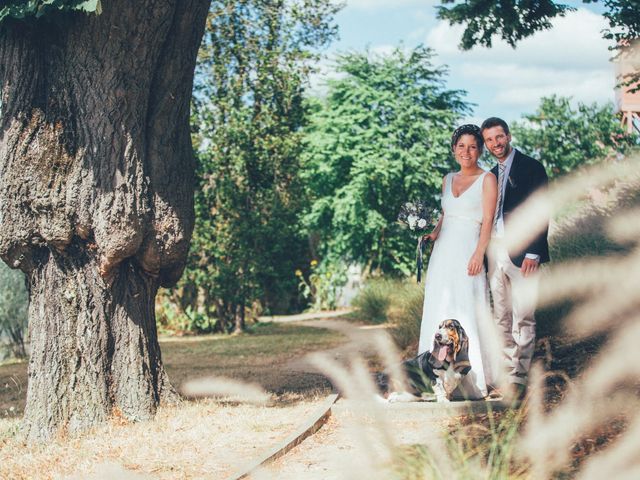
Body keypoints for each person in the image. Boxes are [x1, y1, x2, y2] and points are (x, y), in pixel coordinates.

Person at [418, 124, 500, 399]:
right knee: (439, 306)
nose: (467, 151)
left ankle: (471, 381)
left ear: (480, 150)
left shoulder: (488, 179)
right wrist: (433, 233)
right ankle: (434, 380)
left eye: (473, 146)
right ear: (454, 149)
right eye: (461, 146)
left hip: (468, 249)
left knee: (466, 308)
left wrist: (479, 252)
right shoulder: (447, 178)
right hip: (443, 252)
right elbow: (445, 214)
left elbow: (488, 220)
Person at [480, 117, 550, 399]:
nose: (495, 143)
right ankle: (507, 375)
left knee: (524, 315)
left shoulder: (531, 167)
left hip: (523, 253)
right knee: (501, 317)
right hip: (494, 253)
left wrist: (534, 251)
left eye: (499, 137)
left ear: (508, 136)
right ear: (485, 144)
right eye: (489, 140)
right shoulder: (489, 175)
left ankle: (520, 378)